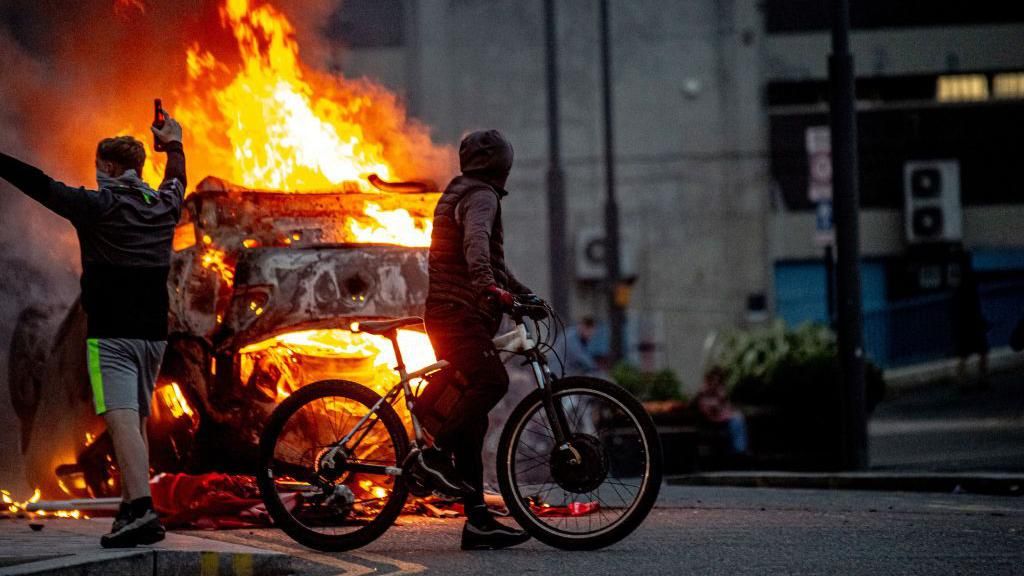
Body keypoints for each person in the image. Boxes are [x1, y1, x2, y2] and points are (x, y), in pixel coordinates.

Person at [0, 117, 186, 547]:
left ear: (108, 166)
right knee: (134, 420)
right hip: (153, 335)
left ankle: (141, 511)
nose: (96, 173)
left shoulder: (96, 206)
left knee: (120, 420)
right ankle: (130, 509)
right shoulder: (165, 205)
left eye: (99, 165)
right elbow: (177, 175)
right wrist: (173, 144)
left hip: (112, 335)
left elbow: (40, 184)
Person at [417, 129, 540, 550]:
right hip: (458, 315)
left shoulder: (463, 189)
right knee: (493, 382)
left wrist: (521, 294)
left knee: (474, 419)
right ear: (501, 164)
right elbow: (476, 247)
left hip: (452, 314)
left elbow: (491, 262)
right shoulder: (482, 196)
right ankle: (434, 458)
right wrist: (489, 288)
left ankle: (478, 523)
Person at [951, 256, 990, 390]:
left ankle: (962, 381)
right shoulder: (970, 289)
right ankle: (981, 379)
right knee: (982, 352)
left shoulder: (959, 290)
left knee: (964, 354)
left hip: (965, 326)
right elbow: (975, 308)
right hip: (972, 324)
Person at [693, 367, 748, 457]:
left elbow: (727, 407)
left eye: (718, 380)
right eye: (714, 379)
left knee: (738, 418)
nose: (716, 382)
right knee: (736, 420)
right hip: (711, 422)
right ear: (710, 379)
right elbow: (708, 410)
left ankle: (739, 450)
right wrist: (719, 405)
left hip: (722, 420)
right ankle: (738, 451)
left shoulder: (720, 391)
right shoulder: (704, 393)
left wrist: (723, 402)